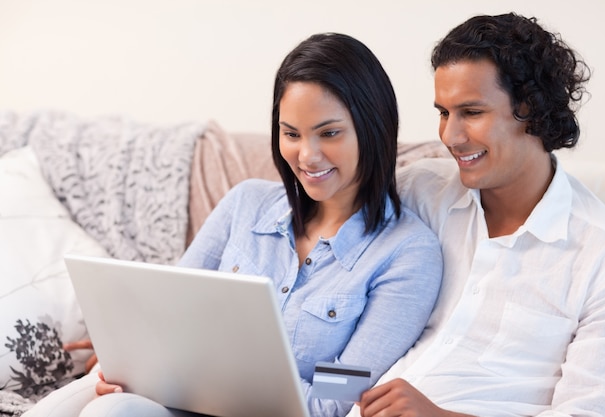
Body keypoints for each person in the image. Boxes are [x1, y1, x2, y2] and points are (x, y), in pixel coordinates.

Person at [23, 33, 443, 417]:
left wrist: (220, 377)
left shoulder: (406, 253)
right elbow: (167, 310)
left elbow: (344, 389)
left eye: (329, 133)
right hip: (177, 401)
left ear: (374, 130)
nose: (308, 156)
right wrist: (135, 359)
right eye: (291, 134)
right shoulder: (247, 203)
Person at [352, 12, 605, 417]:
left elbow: (591, 412)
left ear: (530, 109)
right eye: (444, 112)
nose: (449, 136)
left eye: (471, 112)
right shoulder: (419, 191)